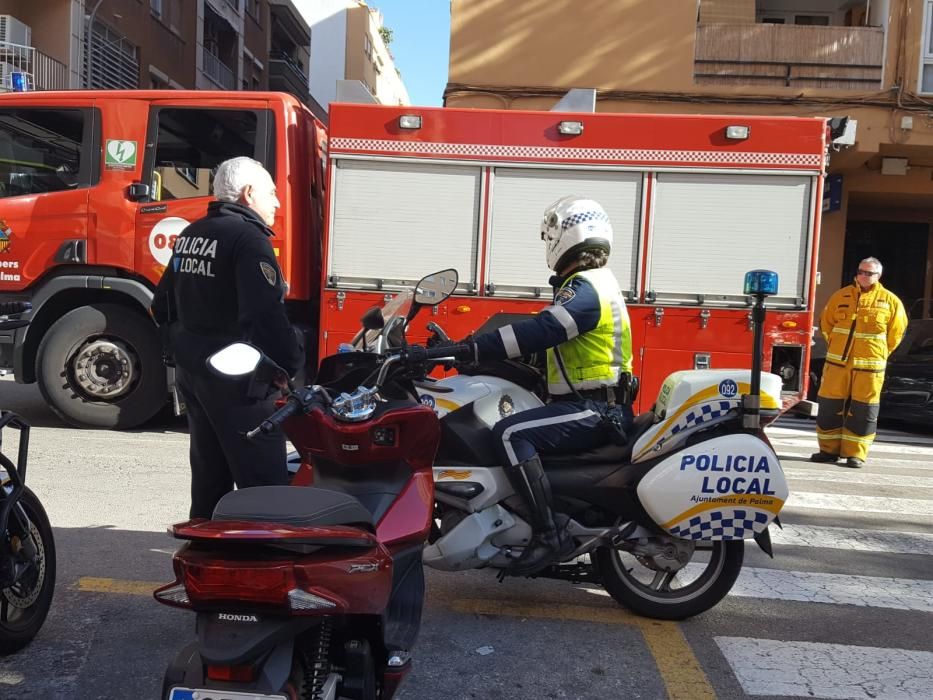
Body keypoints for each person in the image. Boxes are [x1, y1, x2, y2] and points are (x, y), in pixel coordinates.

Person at [441, 196, 634, 575]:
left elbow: (545, 329)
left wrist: (476, 346)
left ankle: (549, 533)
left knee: (511, 435)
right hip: (594, 405)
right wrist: (464, 353)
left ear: (564, 236)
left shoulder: (588, 285)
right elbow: (542, 351)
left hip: (596, 409)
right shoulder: (594, 284)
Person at [150, 156, 304, 519]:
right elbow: (264, 318)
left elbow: (162, 305)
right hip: (240, 384)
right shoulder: (249, 240)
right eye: (271, 193)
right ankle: (266, 567)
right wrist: (292, 364)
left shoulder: (192, 233)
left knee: (209, 479)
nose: (277, 202)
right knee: (264, 491)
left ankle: (204, 558)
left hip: (195, 373)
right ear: (249, 194)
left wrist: (186, 345)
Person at [811, 257, 907, 468]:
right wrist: (837, 347)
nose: (863, 275)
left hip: (870, 369)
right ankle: (827, 451)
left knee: (864, 412)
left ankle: (856, 454)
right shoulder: (841, 296)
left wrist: (877, 354)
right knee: (829, 408)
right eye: (861, 271)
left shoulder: (891, 301)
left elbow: (895, 335)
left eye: (869, 273)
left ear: (878, 276)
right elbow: (826, 325)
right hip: (837, 365)